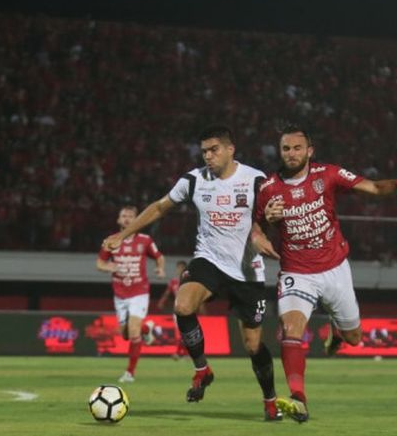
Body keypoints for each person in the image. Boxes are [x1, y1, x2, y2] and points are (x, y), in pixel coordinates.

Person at [103, 126, 283, 421]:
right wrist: (124, 235)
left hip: (246, 270)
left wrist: (263, 232)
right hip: (208, 261)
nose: (208, 156)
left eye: (214, 150)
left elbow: (270, 216)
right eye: (204, 151)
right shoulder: (194, 180)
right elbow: (160, 207)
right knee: (183, 305)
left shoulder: (255, 180)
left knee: (253, 346)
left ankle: (270, 400)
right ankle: (202, 369)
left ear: (230, 149)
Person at [256, 124, 397, 423]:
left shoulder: (328, 174)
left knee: (354, 338)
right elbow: (254, 228)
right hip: (297, 271)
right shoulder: (268, 189)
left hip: (335, 269)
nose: (291, 154)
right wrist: (263, 228)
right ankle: (299, 399)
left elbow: (371, 187)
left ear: (310, 151)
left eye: (297, 148)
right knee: (291, 329)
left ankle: (338, 330)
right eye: (285, 149)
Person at [96, 205, 166, 383]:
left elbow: (159, 256)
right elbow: (100, 263)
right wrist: (108, 267)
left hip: (139, 291)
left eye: (130, 216)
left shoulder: (145, 240)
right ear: (118, 220)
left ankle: (130, 373)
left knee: (133, 331)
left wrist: (160, 268)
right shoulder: (111, 241)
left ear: (136, 220)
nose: (127, 219)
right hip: (120, 294)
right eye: (124, 216)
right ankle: (147, 329)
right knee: (126, 334)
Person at [156, 260, 193, 359]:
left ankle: (180, 353)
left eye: (181, 268)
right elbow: (167, 293)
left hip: (188, 308)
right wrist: (162, 301)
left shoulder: (189, 280)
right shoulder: (173, 281)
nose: (179, 270)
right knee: (182, 332)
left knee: (186, 332)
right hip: (177, 310)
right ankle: (182, 353)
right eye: (178, 268)